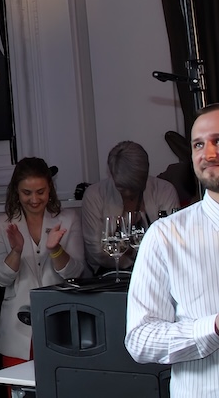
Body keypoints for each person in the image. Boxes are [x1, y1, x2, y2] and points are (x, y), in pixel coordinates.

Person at [126, 103, 219, 397]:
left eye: (218, 141)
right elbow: (140, 340)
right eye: (198, 144)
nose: (209, 154)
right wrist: (213, 328)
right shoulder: (165, 236)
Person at [0, 157, 86, 366]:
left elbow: (76, 273)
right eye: (27, 192)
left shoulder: (69, 219)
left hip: (61, 325)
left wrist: (56, 250)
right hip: (17, 331)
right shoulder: (1, 225)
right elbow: (0, 278)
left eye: (40, 192)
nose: (34, 199)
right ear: (16, 191)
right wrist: (16, 251)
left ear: (50, 188)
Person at [80, 140, 179, 274]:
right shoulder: (94, 195)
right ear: (111, 174)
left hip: (157, 270)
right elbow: (96, 252)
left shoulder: (165, 191)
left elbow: (172, 242)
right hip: (111, 273)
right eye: (121, 187)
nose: (128, 194)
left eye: (134, 188)